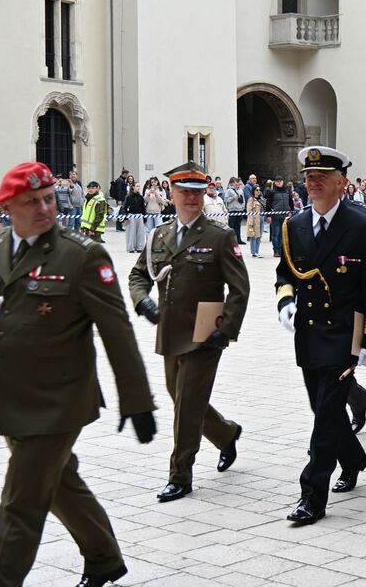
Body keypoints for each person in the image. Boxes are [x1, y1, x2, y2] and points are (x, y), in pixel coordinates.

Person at [0, 162, 156, 587]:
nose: (43, 207)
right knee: (57, 481)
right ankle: (104, 557)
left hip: (59, 403)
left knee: (21, 503)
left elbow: (118, 332)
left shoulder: (81, 255)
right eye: (31, 201)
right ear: (6, 207)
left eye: (49, 198)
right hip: (9, 398)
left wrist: (137, 401)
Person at [129, 161, 249, 503]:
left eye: (196, 192)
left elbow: (239, 289)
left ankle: (180, 474)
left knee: (186, 406)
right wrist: (142, 302)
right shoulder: (160, 235)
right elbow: (139, 275)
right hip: (170, 329)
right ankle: (226, 434)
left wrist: (226, 329)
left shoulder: (219, 236)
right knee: (180, 397)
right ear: (172, 194)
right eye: (184, 192)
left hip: (206, 329)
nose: (191, 198)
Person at [276, 146, 366, 525]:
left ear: (342, 183)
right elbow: (284, 273)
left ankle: (312, 496)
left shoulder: (360, 225)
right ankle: (354, 459)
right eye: (309, 178)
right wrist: (285, 303)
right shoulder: (295, 226)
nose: (314, 183)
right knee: (323, 409)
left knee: (324, 418)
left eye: (322, 177)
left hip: (343, 336)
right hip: (307, 333)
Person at [121, 181, 147, 253]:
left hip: (139, 216)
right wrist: (125, 217)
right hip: (131, 216)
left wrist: (144, 217)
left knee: (140, 233)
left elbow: (143, 208)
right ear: (133, 187)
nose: (138, 187)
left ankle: (140, 247)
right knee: (131, 232)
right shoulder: (128, 197)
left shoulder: (141, 197)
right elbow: (125, 207)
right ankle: (131, 247)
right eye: (137, 186)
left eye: (139, 186)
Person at [224, 177, 246, 244]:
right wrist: (233, 198)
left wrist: (243, 207)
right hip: (232, 210)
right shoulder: (229, 191)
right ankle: (230, 240)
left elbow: (243, 200)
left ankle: (238, 239)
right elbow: (226, 200)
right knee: (232, 226)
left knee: (238, 225)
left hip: (240, 210)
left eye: (239, 184)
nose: (237, 186)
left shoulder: (241, 190)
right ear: (233, 184)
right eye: (236, 184)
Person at [246, 183, 265, 258]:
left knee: (259, 236)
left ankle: (257, 251)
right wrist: (250, 222)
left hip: (261, 218)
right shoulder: (251, 199)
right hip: (254, 219)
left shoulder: (261, 199)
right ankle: (253, 252)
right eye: (257, 190)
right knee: (253, 236)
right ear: (253, 191)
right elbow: (249, 211)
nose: (258, 191)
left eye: (259, 190)